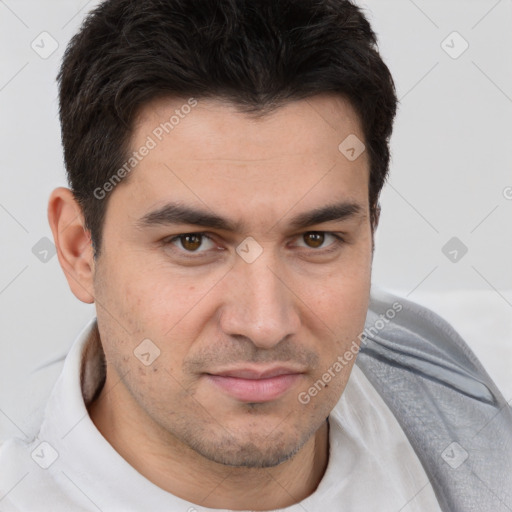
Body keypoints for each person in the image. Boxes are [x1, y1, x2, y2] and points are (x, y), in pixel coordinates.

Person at [1, 0, 511, 510]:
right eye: (193, 242)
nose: (265, 324)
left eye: (316, 239)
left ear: (370, 235)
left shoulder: (486, 379)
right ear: (79, 249)